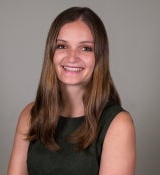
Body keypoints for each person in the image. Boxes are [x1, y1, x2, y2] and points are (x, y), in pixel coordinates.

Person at [7, 6, 136, 175]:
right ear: (51, 54)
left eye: (85, 48)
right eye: (62, 46)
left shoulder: (118, 124)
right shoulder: (31, 115)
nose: (72, 57)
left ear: (99, 57)